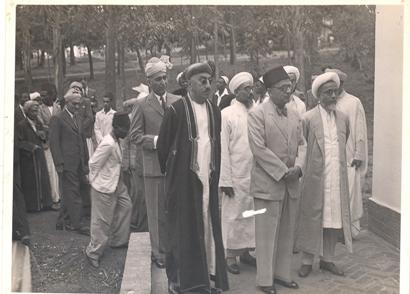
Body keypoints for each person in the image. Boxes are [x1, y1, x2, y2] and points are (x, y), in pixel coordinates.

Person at [157, 62, 229, 294]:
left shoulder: (214, 110)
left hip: (208, 179)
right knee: (181, 230)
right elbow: (164, 148)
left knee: (207, 228)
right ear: (188, 84)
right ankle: (178, 281)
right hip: (183, 183)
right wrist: (175, 177)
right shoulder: (176, 110)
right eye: (202, 81)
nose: (208, 85)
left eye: (209, 80)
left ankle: (206, 281)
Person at [248, 66, 306, 294]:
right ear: (270, 90)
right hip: (268, 184)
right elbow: (258, 149)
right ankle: (264, 280)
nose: (288, 92)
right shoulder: (257, 114)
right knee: (265, 235)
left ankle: (282, 274)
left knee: (286, 232)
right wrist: (283, 170)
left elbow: (303, 144)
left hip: (291, 182)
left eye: (289, 87)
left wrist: (299, 167)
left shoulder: (294, 114)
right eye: (282, 89)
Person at [296, 72, 352, 278]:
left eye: (335, 92)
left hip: (336, 178)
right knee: (311, 217)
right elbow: (301, 147)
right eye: (328, 93)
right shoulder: (308, 118)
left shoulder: (343, 119)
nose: (333, 97)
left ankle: (328, 259)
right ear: (319, 95)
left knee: (334, 219)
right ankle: (306, 261)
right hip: (314, 178)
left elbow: (344, 144)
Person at [129, 57, 180, 268]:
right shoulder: (141, 105)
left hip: (175, 166)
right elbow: (134, 136)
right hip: (153, 167)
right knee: (156, 213)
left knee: (173, 210)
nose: (162, 82)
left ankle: (173, 249)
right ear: (149, 81)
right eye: (158, 79)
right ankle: (158, 253)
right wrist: (157, 141)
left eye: (164, 77)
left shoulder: (177, 101)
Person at [219, 72, 256, 275]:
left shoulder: (256, 111)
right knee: (233, 216)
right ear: (236, 91)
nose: (249, 92)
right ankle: (230, 256)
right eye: (245, 89)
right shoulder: (226, 114)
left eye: (250, 88)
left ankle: (246, 253)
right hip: (234, 176)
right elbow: (223, 149)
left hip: (253, 174)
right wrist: (225, 180)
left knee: (250, 215)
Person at [85, 112, 132, 268]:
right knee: (101, 222)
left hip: (117, 184)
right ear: (117, 128)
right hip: (104, 186)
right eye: (125, 129)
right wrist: (94, 182)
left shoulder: (117, 139)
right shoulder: (108, 143)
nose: (128, 131)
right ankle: (93, 252)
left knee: (126, 207)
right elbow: (93, 164)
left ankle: (118, 241)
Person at [325, 68, 368, 239]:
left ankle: (350, 230)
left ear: (342, 83)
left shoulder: (353, 102)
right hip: (332, 156)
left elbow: (361, 130)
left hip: (350, 155)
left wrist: (358, 153)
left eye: (337, 84)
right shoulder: (328, 102)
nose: (334, 89)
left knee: (350, 192)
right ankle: (335, 230)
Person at [49, 89, 90, 235]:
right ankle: (78, 224)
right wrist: (59, 164)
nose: (77, 107)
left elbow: (82, 140)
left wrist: (86, 161)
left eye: (79, 104)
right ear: (67, 103)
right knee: (73, 192)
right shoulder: (58, 118)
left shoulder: (78, 118)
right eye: (75, 104)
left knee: (71, 191)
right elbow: (54, 142)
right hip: (66, 163)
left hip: (78, 161)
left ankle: (62, 221)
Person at [16, 100, 53, 212]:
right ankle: (33, 206)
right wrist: (31, 147)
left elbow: (45, 135)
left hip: (40, 155)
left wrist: (44, 135)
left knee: (44, 179)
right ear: (27, 112)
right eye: (33, 111)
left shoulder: (39, 123)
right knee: (31, 182)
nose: (35, 113)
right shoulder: (21, 125)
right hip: (29, 158)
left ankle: (46, 204)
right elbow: (19, 142)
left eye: (37, 111)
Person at [38, 83, 62, 209]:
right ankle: (53, 198)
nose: (42, 98)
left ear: (50, 95)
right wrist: (51, 128)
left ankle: (60, 196)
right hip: (47, 144)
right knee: (50, 170)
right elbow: (41, 125)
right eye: (41, 96)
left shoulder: (57, 107)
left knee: (58, 170)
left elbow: (61, 123)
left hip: (58, 143)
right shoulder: (39, 110)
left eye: (45, 95)